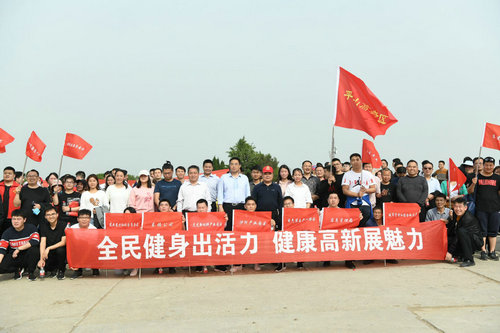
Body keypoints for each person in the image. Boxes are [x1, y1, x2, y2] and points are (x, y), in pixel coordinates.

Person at [470, 156, 500, 261]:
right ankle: (483, 251)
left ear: (493, 166)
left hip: (495, 209)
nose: (488, 167)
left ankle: (492, 251)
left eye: (490, 165)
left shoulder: (497, 178)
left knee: (493, 231)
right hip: (481, 209)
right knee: (483, 231)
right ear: (483, 165)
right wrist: (473, 183)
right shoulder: (477, 177)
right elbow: (469, 191)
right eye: (486, 165)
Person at [0, 209, 40, 281]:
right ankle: (17, 269)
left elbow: (35, 241)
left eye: (18, 219)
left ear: (24, 220)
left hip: (28, 255)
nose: (15, 221)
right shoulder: (7, 232)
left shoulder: (31, 228)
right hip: (15, 256)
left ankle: (30, 272)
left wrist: (19, 249)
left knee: (35, 250)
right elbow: (2, 249)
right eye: (14, 219)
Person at [445, 197, 483, 267]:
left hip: (475, 242)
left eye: (460, 207)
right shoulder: (454, 214)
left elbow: (458, 235)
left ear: (465, 208)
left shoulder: (468, 218)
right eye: (456, 206)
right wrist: (450, 220)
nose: (458, 209)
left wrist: (450, 252)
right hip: (463, 239)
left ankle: (469, 260)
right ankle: (460, 255)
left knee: (461, 231)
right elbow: (452, 230)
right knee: (446, 239)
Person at [342, 153, 376, 228]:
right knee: (352, 222)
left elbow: (373, 188)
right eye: (353, 160)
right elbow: (345, 190)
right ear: (350, 162)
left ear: (361, 161)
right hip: (352, 201)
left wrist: (366, 190)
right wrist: (357, 194)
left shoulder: (368, 174)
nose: (355, 162)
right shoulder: (347, 174)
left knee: (366, 218)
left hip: (364, 201)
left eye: (357, 159)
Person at [217, 157, 250, 230]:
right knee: (227, 227)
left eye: (236, 164)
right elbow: (220, 193)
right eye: (232, 164)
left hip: (241, 206)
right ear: (229, 165)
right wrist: (220, 206)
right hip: (227, 206)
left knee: (241, 228)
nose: (234, 166)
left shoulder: (244, 178)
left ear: (239, 166)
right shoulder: (223, 177)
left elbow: (247, 193)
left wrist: (248, 206)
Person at [68, 209, 99, 279]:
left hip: (90, 249)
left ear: (89, 219)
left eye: (86, 218)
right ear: (78, 219)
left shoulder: (94, 229)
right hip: (77, 249)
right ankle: (78, 270)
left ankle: (95, 268)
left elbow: (95, 243)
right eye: (82, 218)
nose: (84, 220)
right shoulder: (72, 228)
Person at [37, 207, 66, 280]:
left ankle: (61, 270)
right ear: (45, 217)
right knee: (40, 264)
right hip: (49, 252)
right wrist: (41, 259)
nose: (51, 216)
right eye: (48, 215)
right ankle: (53, 269)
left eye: (53, 214)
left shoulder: (63, 225)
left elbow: (63, 242)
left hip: (59, 250)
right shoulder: (43, 226)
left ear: (57, 215)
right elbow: (43, 242)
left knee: (60, 250)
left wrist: (48, 248)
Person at [252, 166, 283, 230]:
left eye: (269, 174)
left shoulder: (277, 187)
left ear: (272, 175)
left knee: (273, 234)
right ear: (262, 175)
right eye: (265, 174)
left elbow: (280, 202)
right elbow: (253, 202)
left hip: (273, 214)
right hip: (260, 214)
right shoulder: (257, 187)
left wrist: (280, 216)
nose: (267, 176)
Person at [0, 166, 21, 235]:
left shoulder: (19, 187)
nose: (7, 175)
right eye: (5, 173)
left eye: (9, 173)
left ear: (14, 175)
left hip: (12, 217)